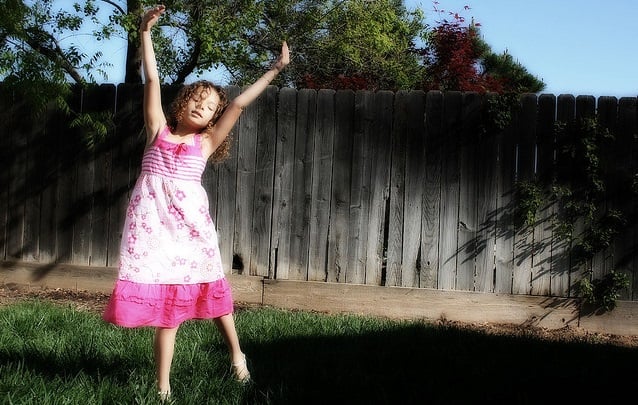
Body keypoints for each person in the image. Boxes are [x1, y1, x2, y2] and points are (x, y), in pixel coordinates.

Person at [102, 4, 289, 400]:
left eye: (209, 107)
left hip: (190, 230)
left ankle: (238, 357)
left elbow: (238, 105)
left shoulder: (205, 144)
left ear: (211, 120)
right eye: (197, 99)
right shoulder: (158, 132)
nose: (202, 107)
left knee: (214, 293)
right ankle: (163, 389)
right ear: (183, 101)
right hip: (154, 230)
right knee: (167, 313)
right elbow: (152, 79)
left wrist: (273, 70)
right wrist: (146, 33)